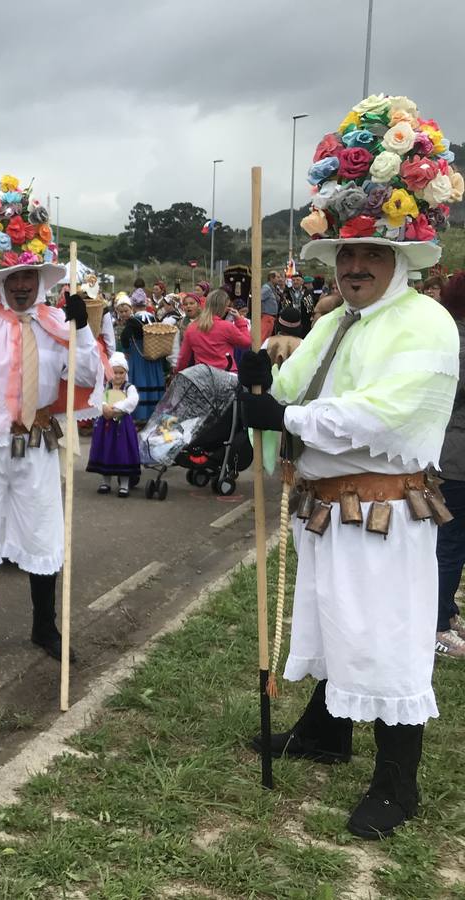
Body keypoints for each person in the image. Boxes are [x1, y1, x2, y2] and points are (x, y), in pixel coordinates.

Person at [243, 93, 461, 840]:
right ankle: (327, 733)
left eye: (372, 253)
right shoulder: (334, 319)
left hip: (387, 509)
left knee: (388, 637)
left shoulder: (424, 323)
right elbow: (289, 388)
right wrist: (258, 382)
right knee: (335, 623)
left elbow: (384, 413)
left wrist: (289, 419)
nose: (357, 265)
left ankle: (399, 785)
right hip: (327, 507)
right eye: (348, 253)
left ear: (400, 259)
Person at [0, 174, 101, 662]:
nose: (24, 286)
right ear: (2, 282)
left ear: (41, 280)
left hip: (38, 446)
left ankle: (44, 627)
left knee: (42, 532)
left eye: (30, 278)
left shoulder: (58, 325)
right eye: (15, 279)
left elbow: (89, 372)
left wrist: (83, 329)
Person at [435, 273, 465, 658]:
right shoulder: (457, 344)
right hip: (454, 457)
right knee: (450, 544)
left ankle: (446, 611)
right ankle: (437, 625)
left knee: (454, 542)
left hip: (453, 455)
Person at [86, 351, 139, 497]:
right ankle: (106, 482)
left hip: (123, 426)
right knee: (106, 450)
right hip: (106, 425)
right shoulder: (105, 387)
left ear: (125, 372)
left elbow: (132, 401)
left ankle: (124, 484)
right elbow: (97, 397)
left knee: (123, 452)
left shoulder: (129, 388)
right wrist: (104, 407)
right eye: (115, 372)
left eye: (121, 373)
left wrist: (116, 408)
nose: (118, 376)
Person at [176, 288, 251, 372]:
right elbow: (247, 342)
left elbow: (183, 358)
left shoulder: (191, 328)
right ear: (223, 307)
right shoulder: (227, 327)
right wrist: (240, 320)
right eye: (227, 306)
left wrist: (176, 373)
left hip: (201, 376)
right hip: (225, 374)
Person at [117, 293, 165, 422]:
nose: (123, 314)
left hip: (138, 355)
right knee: (153, 381)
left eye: (125, 310)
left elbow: (124, 337)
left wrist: (126, 350)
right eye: (121, 312)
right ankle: (155, 413)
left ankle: (140, 414)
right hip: (153, 352)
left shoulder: (132, 321)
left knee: (140, 381)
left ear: (132, 307)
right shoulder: (151, 316)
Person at [258, 270, 282, 339]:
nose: (279, 279)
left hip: (270, 318)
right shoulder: (267, 288)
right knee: (263, 337)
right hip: (267, 317)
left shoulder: (273, 289)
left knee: (266, 337)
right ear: (272, 278)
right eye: (277, 277)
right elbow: (258, 299)